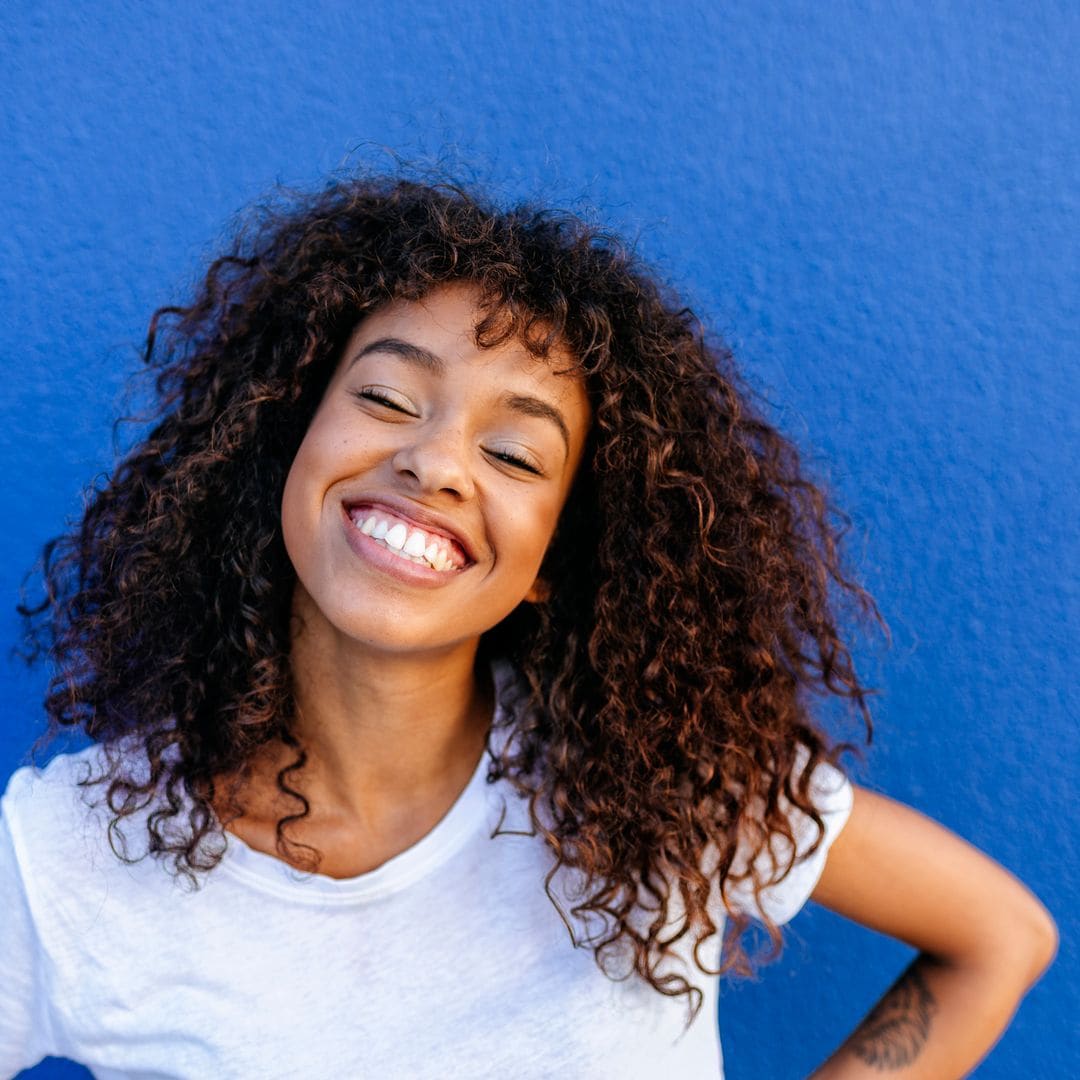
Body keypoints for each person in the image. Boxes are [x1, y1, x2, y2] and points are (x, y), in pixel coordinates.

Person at [0, 175, 1057, 1079]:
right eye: (385, 397)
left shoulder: (662, 787)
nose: (437, 464)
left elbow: (999, 937)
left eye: (513, 456)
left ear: (557, 559)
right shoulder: (63, 863)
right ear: (287, 441)